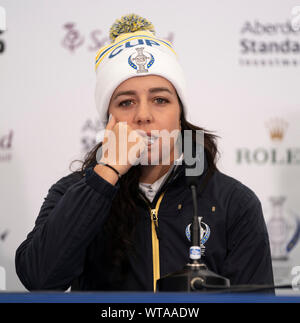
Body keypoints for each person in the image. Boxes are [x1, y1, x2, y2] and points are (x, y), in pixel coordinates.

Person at [15, 14, 274, 292]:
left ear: (180, 114)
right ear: (108, 119)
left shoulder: (233, 202)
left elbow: (257, 300)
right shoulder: (74, 193)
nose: (143, 115)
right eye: (126, 102)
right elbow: (39, 279)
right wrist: (106, 174)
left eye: (160, 99)